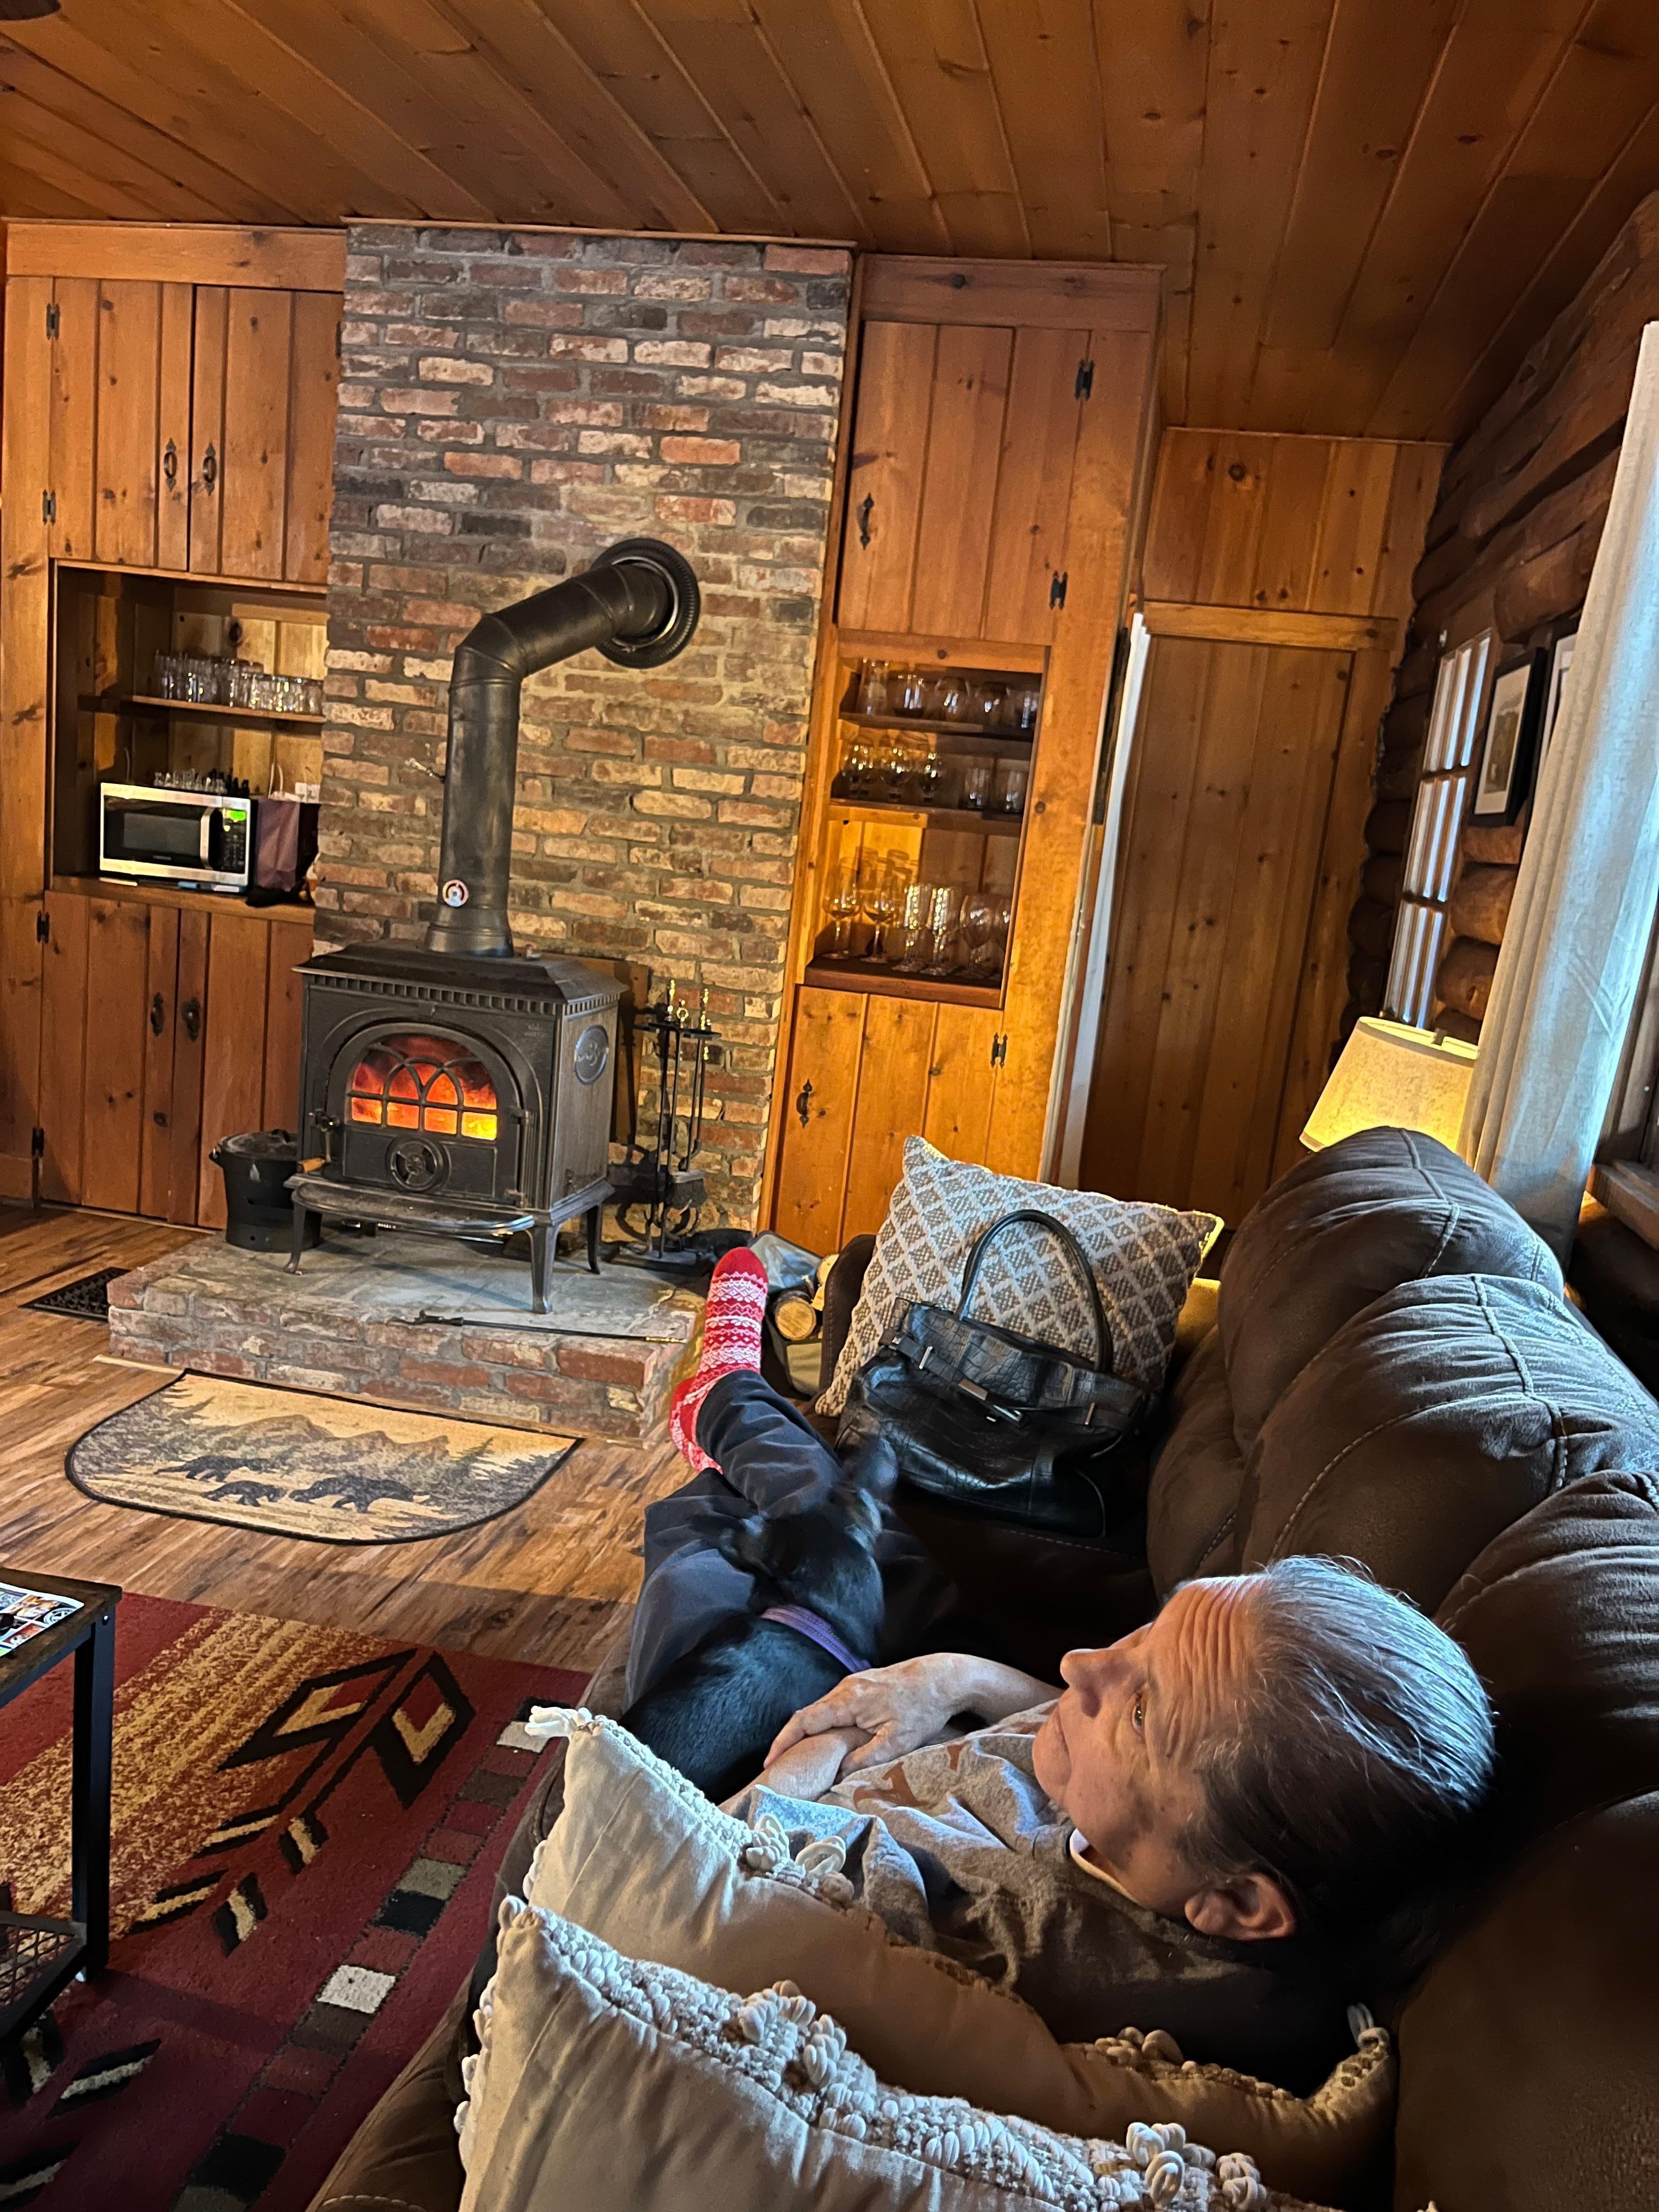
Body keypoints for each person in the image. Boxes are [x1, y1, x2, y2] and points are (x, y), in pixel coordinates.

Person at [633, 1251, 1498, 2086]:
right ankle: (728, 1407)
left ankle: (726, 1404)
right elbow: (1149, 1755)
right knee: (854, 1516)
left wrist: (817, 1750)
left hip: (767, 1766)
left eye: (1138, 1710)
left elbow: (699, 1877)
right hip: (917, 1698)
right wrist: (961, 1677)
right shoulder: (1175, 1843)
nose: (1080, 1664)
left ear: (1236, 1904)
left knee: (706, 1540)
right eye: (1142, 1639)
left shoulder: (989, 1946)